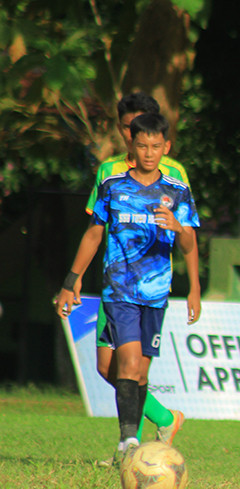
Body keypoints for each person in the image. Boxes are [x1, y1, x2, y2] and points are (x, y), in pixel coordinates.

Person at [56, 113, 201, 466]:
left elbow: (189, 242)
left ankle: (144, 434)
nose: (149, 153)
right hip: (119, 291)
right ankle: (128, 442)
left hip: (156, 295)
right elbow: (94, 234)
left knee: (138, 374)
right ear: (131, 147)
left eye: (156, 146)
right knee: (128, 363)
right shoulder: (113, 186)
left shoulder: (176, 190)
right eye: (142, 146)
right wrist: (71, 280)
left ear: (166, 147)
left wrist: (194, 284)